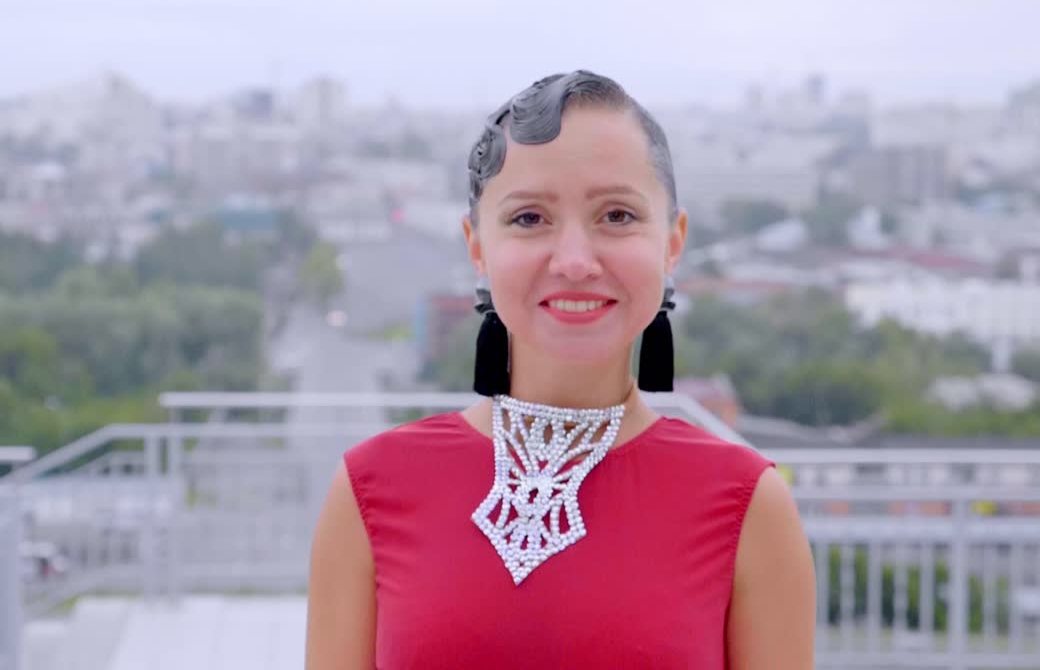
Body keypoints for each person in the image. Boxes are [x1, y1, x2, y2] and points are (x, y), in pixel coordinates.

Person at [306, 70, 816, 668]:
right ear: (476, 246)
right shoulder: (370, 492)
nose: (575, 261)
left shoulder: (748, 508)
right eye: (529, 219)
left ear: (673, 242)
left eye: (617, 216)